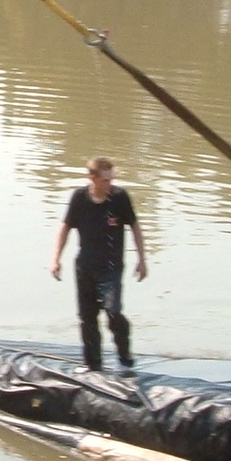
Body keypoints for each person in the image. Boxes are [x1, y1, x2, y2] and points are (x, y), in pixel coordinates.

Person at [49, 155, 148, 371]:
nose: (110, 184)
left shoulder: (120, 198)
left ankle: (125, 356)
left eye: (111, 180)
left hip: (111, 268)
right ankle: (93, 365)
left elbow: (135, 227)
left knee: (113, 312)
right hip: (85, 267)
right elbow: (65, 227)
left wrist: (142, 259)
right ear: (92, 179)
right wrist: (56, 259)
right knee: (87, 317)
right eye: (105, 181)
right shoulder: (79, 198)